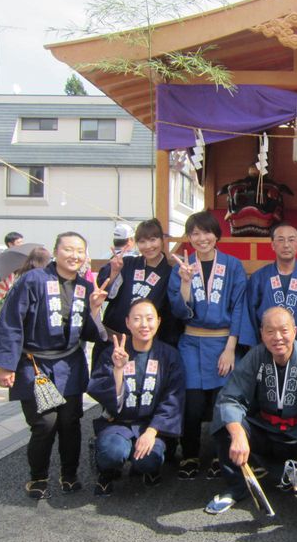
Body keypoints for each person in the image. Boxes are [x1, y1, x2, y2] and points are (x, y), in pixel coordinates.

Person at [0, 232, 109, 498]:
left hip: (69, 363)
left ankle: (69, 475)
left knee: (70, 421)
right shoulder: (32, 281)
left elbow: (91, 334)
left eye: (79, 251)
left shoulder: (84, 286)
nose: (74, 255)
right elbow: (11, 321)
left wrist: (94, 310)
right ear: (56, 251)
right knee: (45, 423)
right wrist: (5, 365)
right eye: (68, 249)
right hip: (36, 364)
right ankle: (38, 477)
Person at [205, 306, 297, 514]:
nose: (277, 337)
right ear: (262, 334)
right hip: (264, 430)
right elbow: (230, 397)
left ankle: (285, 474)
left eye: (284, 330)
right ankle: (237, 487)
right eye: (270, 331)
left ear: (294, 331)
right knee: (226, 424)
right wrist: (238, 433)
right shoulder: (255, 357)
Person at [168, 211, 247, 480]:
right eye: (195, 233)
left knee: (220, 403)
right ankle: (189, 454)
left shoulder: (233, 265)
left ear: (217, 235)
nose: (202, 238)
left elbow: (239, 308)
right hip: (191, 342)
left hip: (223, 342)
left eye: (207, 232)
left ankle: (218, 455)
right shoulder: (181, 267)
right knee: (191, 402)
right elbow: (179, 311)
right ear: (189, 237)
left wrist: (230, 348)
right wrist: (186, 283)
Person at [87, 299, 185, 495]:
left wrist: (151, 432)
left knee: (149, 459)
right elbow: (100, 389)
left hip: (151, 425)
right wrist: (118, 370)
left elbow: (173, 399)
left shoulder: (169, 356)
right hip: (117, 423)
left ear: (158, 321)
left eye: (149, 319)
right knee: (112, 453)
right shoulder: (113, 354)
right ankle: (106, 469)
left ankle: (147, 466)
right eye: (137, 319)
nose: (144, 325)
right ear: (127, 322)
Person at [95, 219, 178, 366]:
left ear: (162, 239)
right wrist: (114, 271)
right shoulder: (127, 263)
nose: (148, 246)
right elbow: (105, 293)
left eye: (153, 240)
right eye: (142, 242)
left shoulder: (170, 272)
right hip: (112, 340)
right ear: (136, 243)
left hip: (144, 345)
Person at [239, 222, 297, 347]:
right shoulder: (259, 277)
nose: (286, 245)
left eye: (291, 240)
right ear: (273, 245)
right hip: (268, 347)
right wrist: (254, 349)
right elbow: (249, 315)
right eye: (280, 240)